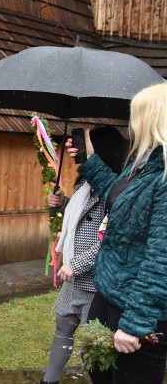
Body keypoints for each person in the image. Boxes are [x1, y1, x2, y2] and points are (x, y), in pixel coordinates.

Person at [70, 82, 167, 384]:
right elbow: (117, 194)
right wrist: (89, 159)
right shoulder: (144, 165)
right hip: (111, 290)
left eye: (136, 116)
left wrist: (137, 323)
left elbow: (161, 256)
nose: (132, 125)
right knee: (99, 370)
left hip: (139, 306)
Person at [40, 127, 127, 384]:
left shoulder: (117, 187)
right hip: (75, 280)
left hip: (97, 281)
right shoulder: (85, 181)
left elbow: (110, 237)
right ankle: (49, 381)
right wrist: (63, 201)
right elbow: (83, 219)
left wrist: (76, 265)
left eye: (86, 145)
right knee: (63, 327)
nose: (78, 150)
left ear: (102, 151)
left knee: (95, 344)